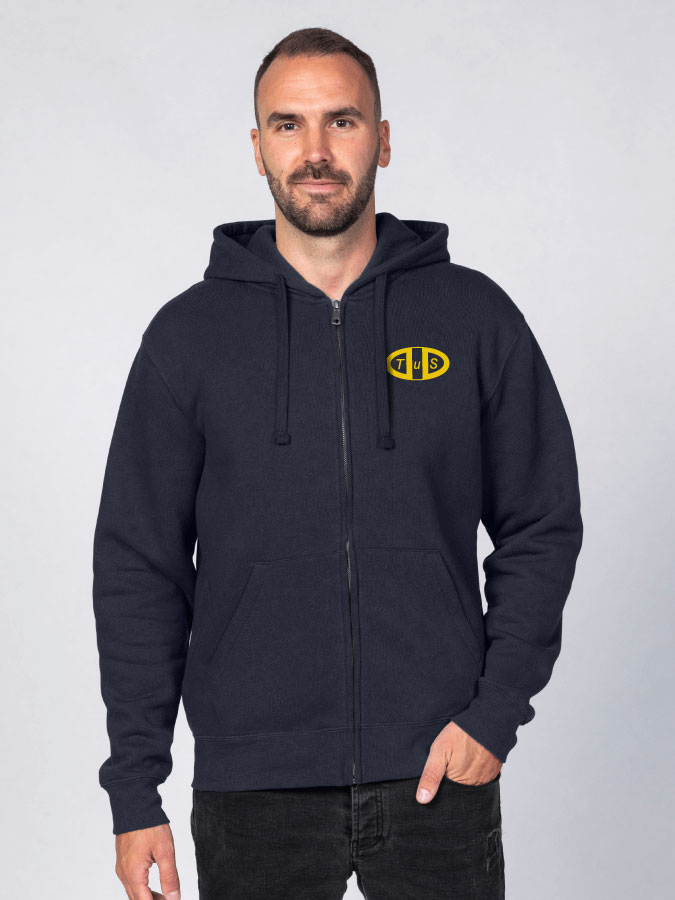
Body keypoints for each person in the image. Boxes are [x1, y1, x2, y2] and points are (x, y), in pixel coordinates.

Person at [92, 26, 583, 900]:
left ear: (382, 140)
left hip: (437, 769)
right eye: (288, 125)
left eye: (342, 121)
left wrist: (493, 713)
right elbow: (139, 567)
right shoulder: (187, 338)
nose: (315, 151)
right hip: (253, 787)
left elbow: (540, 523)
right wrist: (136, 791)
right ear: (257, 148)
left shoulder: (473, 318)